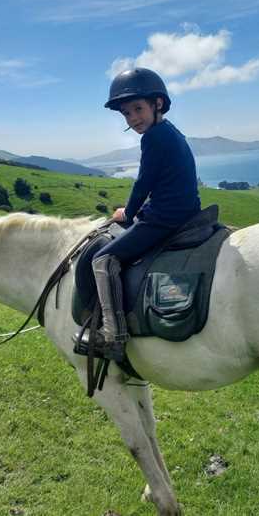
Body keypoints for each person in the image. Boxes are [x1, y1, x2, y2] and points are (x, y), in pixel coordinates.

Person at [90, 67, 201, 362]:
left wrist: (128, 213)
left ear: (158, 104)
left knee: (102, 261)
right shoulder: (170, 131)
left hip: (164, 218)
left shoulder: (153, 138)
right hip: (186, 211)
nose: (133, 118)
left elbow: (144, 182)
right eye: (126, 114)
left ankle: (113, 336)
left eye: (138, 109)